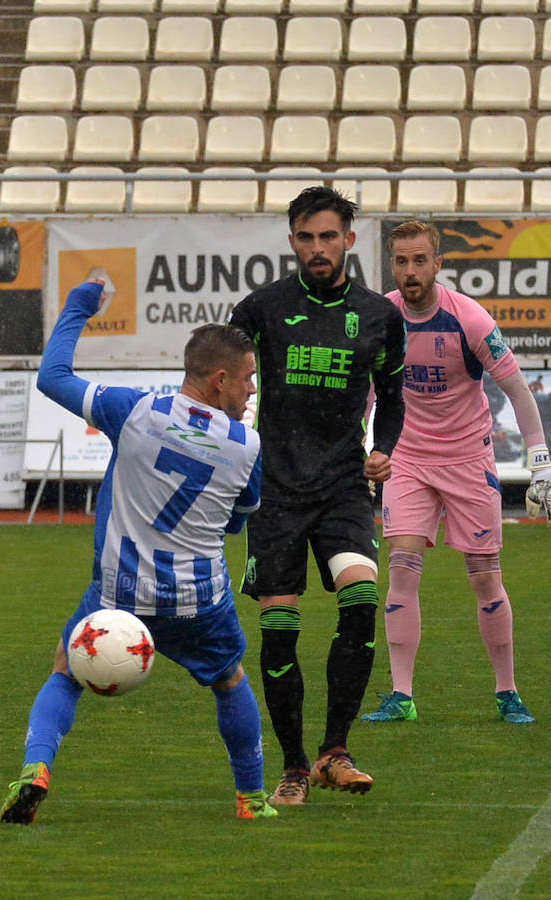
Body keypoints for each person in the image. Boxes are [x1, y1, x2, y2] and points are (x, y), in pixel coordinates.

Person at [0, 277, 278, 824]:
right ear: (219, 380)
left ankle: (36, 769)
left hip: (119, 593)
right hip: (200, 600)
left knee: (63, 670)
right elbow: (240, 521)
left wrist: (80, 307)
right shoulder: (247, 446)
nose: (251, 392)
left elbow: (52, 377)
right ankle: (251, 799)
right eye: (248, 380)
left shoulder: (133, 410)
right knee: (229, 680)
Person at [228, 186, 406, 805]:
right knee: (280, 626)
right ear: (292, 242)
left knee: (361, 594)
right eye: (306, 238)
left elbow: (394, 396)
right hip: (276, 491)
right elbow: (223, 379)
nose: (317, 248)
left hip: (343, 487)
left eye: (328, 236)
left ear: (349, 240)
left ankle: (336, 749)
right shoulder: (260, 309)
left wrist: (384, 444)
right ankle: (296, 766)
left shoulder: (379, 317)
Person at [362, 220, 551, 726]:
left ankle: (507, 691)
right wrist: (358, 448)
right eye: (401, 261)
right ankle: (401, 695)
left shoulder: (468, 318)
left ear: (438, 264)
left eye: (419, 260)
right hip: (409, 458)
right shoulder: (382, 317)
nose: (409, 270)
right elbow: (368, 391)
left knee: (485, 577)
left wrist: (540, 462)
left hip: (469, 459)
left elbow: (517, 390)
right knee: (400, 566)